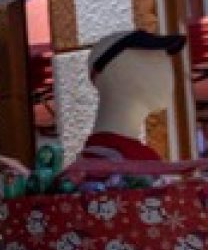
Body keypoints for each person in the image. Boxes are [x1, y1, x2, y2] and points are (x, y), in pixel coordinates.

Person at [80, 29, 186, 162]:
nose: (169, 73)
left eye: (166, 61)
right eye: (154, 61)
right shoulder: (110, 165)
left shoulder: (123, 159)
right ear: (116, 71)